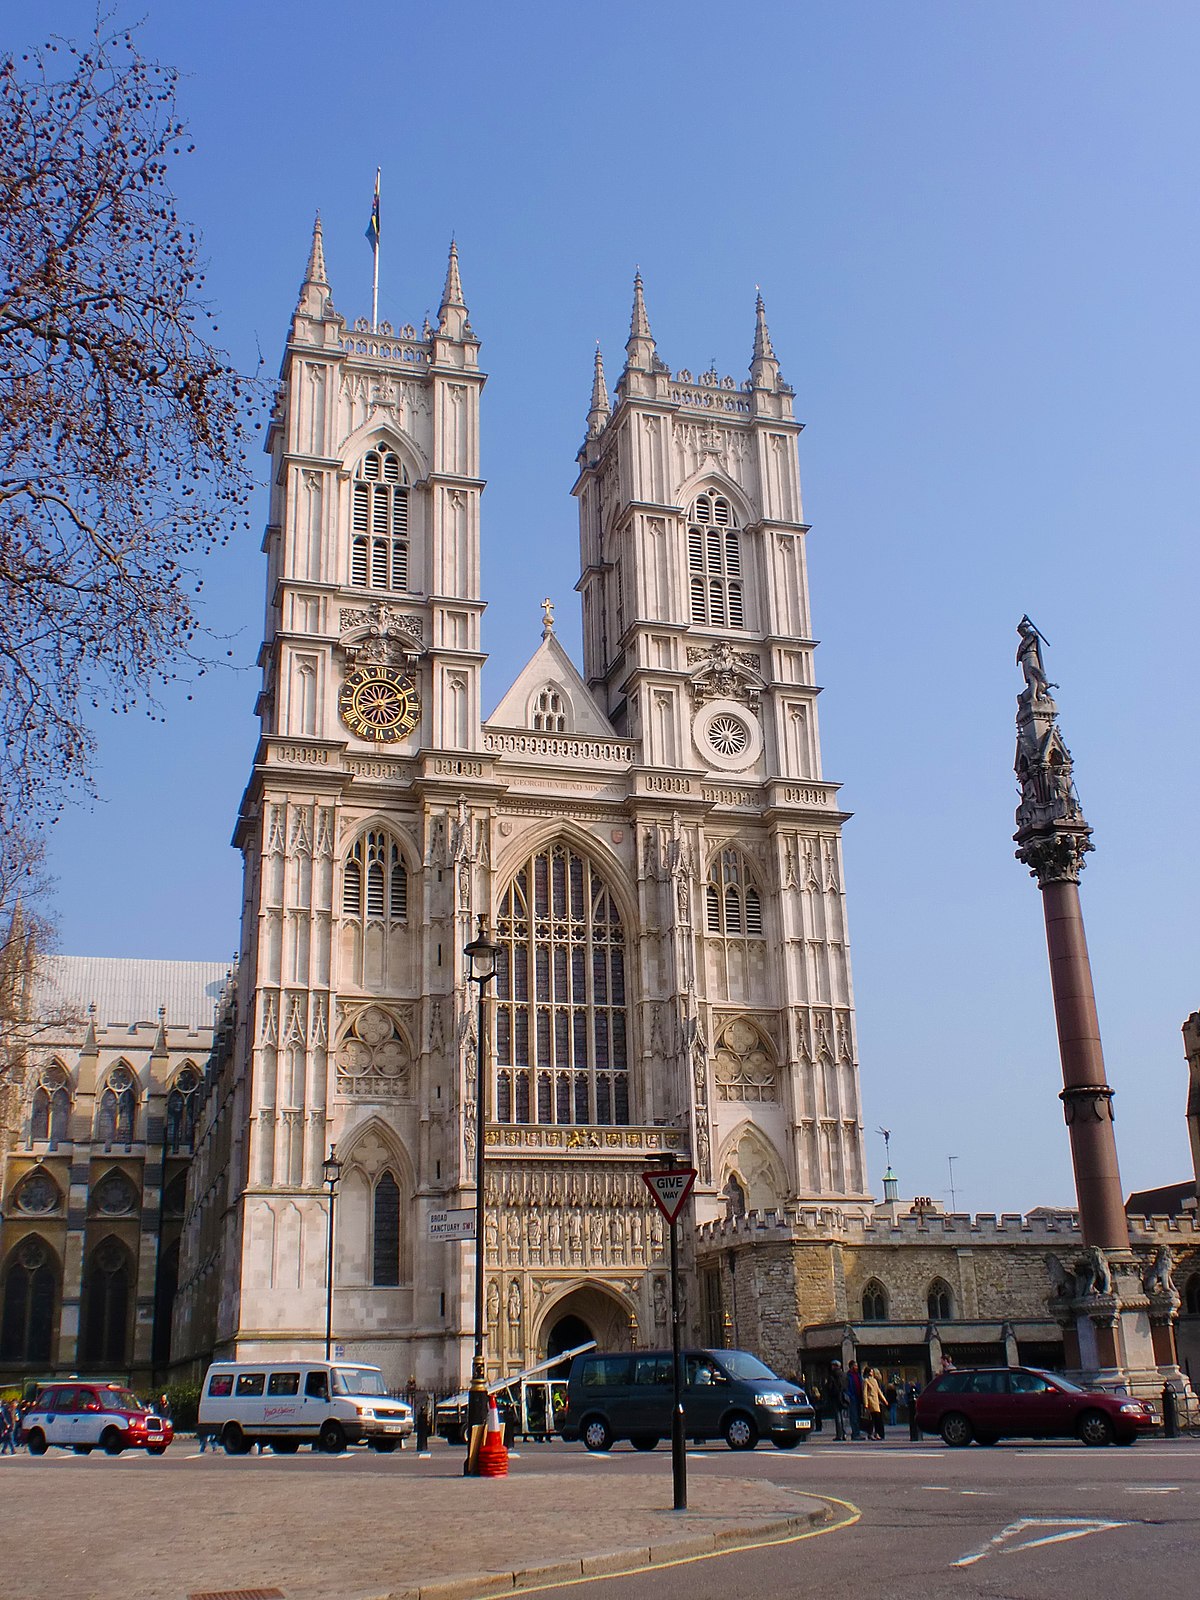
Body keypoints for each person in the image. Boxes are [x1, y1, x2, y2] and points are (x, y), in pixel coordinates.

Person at [862, 1367, 886, 1440]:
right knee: (871, 1419)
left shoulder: (875, 1381)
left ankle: (876, 1433)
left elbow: (879, 1391)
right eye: (871, 1372)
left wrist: (884, 1400)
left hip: (876, 1401)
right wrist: (866, 1403)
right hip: (870, 1401)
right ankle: (871, 1433)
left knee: (877, 1419)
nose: (872, 1373)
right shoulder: (866, 1381)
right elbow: (865, 1393)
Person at [826, 1361, 847, 1441]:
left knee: (838, 1416)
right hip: (843, 1396)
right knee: (843, 1416)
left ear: (835, 1366)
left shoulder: (832, 1375)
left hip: (835, 1397)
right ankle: (844, 1433)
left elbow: (830, 1387)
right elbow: (846, 1385)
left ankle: (839, 1434)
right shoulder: (844, 1375)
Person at [846, 1361, 864, 1440]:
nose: (856, 1367)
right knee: (854, 1417)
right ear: (851, 1367)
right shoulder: (848, 1376)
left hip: (859, 1398)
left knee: (858, 1416)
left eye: (857, 1366)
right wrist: (850, 1396)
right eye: (855, 1366)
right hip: (853, 1399)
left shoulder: (858, 1375)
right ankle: (855, 1433)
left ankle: (858, 1433)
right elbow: (847, 1388)